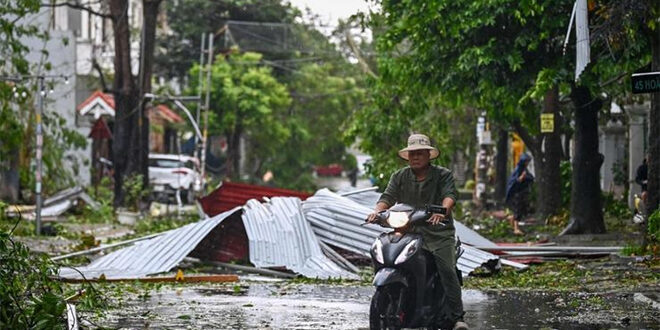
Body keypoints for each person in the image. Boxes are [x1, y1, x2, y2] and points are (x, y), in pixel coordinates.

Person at [366, 133, 468, 330]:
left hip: (438, 232)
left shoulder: (442, 175)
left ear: (429, 155)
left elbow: (449, 196)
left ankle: (457, 317)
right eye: (412, 153)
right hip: (408, 230)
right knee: (383, 255)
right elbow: (387, 197)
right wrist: (377, 212)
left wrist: (443, 211)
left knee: (446, 269)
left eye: (420, 153)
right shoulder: (400, 176)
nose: (415, 157)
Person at [505, 153, 534, 235]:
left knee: (521, 210)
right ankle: (516, 228)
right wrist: (522, 177)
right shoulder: (518, 169)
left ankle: (511, 219)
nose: (527, 163)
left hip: (522, 193)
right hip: (517, 193)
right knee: (518, 210)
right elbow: (516, 181)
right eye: (526, 161)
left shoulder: (524, 169)